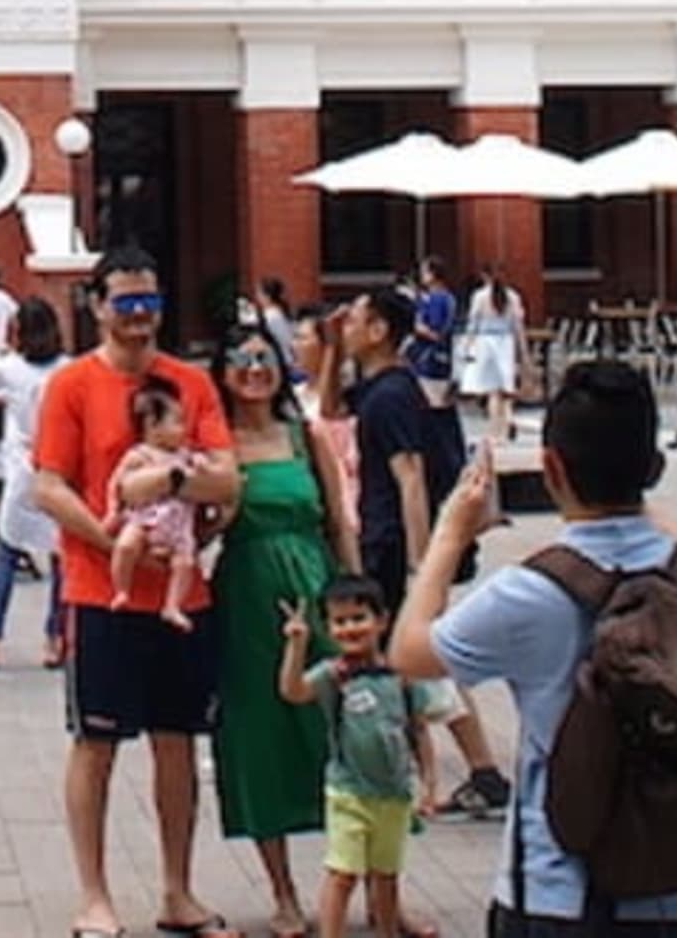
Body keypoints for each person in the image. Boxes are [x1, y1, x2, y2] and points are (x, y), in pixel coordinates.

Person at [393, 360, 677, 937]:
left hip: (561, 893)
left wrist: (449, 534)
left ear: (551, 469)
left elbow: (410, 653)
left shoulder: (529, 592)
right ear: (654, 468)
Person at [32, 248, 242, 938]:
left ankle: (177, 890)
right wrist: (109, 536)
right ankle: (93, 894)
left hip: (183, 598)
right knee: (96, 742)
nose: (140, 315)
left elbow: (227, 479)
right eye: (125, 302)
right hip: (102, 594)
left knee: (177, 741)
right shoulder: (71, 387)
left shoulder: (189, 383)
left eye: (149, 301)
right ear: (98, 307)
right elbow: (48, 484)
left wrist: (171, 486)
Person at [337, 290, 512, 821]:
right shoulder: (383, 389)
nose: (345, 327)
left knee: (415, 659)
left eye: (355, 319)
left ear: (379, 331)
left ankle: (464, 772)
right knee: (417, 660)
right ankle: (470, 772)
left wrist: (421, 561)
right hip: (389, 539)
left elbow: (409, 474)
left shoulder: (390, 396)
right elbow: (329, 404)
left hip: (392, 543)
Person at [210, 320, 347, 938]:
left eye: (264, 357)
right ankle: (284, 893)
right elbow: (204, 530)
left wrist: (359, 592)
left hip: (319, 592)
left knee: (348, 732)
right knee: (260, 734)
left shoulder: (305, 434)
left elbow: (339, 520)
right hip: (248, 602)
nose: (254, 369)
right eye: (241, 360)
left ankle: (369, 884)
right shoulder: (216, 444)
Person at [279, 577, 433, 938]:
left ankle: (388, 930)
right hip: (349, 792)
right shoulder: (335, 674)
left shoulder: (402, 674)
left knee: (386, 876)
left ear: (382, 620)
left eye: (358, 618)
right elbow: (293, 691)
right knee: (342, 874)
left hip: (394, 794)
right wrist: (296, 645)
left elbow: (420, 730)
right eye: (339, 621)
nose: (349, 628)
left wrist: (429, 782)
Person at [0, 297, 74, 672]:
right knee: (60, 556)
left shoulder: (6, 369)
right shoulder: (66, 370)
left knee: (6, 553)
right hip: (57, 468)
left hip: (20, 470)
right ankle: (55, 638)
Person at [109, 382, 214, 630]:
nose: (184, 428)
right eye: (176, 422)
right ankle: (121, 588)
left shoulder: (186, 455)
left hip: (178, 525)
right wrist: (113, 511)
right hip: (145, 519)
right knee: (125, 546)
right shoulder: (139, 455)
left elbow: (205, 472)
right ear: (152, 427)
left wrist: (202, 466)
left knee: (184, 563)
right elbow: (116, 483)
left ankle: (172, 605)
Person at [457, 264, 525, 443]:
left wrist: (467, 346)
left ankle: (496, 432)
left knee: (493, 392)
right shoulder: (513, 297)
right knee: (506, 389)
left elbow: (473, 324)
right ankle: (508, 419)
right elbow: (518, 326)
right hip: (506, 342)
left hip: (486, 342)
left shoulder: (479, 297)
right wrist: (523, 353)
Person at [405, 258, 457, 410]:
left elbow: (434, 330)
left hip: (428, 357)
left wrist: (415, 326)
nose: (421, 276)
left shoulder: (436, 298)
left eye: (424, 272)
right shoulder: (447, 297)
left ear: (433, 274)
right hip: (442, 356)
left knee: (429, 404)